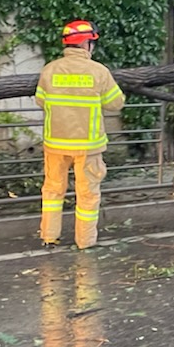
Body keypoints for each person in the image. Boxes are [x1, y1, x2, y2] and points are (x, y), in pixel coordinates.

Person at [34, 20, 125, 249]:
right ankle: (85, 242)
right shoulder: (99, 71)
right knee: (87, 195)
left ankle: (49, 236)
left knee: (53, 191)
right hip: (87, 145)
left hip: (56, 143)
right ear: (86, 44)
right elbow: (115, 103)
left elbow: (40, 100)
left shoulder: (49, 70)